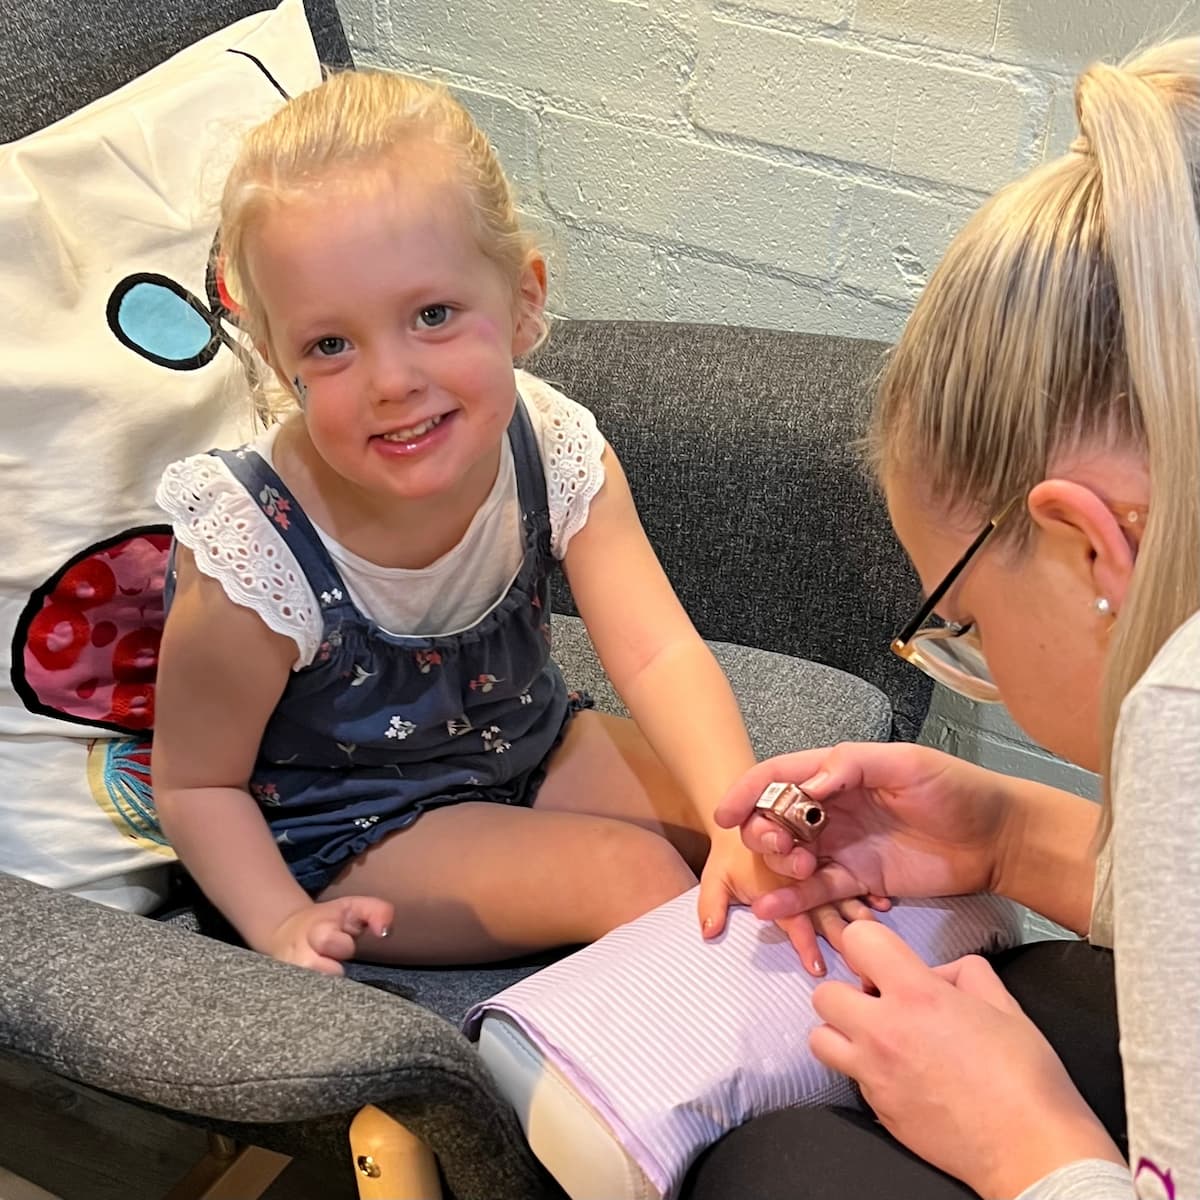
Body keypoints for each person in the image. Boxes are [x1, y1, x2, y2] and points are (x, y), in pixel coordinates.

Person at [151, 69, 817, 976]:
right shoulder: (253, 543)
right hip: (354, 825)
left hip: (527, 740)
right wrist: (277, 924)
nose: (391, 380)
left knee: (774, 828)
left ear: (523, 302)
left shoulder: (550, 441)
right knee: (635, 876)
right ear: (278, 359)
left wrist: (732, 816)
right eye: (330, 345)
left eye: (432, 314)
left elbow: (658, 651)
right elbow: (195, 782)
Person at [690, 36, 1200, 1200]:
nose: (977, 659)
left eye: (962, 617)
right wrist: (1014, 838)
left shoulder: (1183, 705)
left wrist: (1029, 1148)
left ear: (1090, 548)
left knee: (780, 1172)